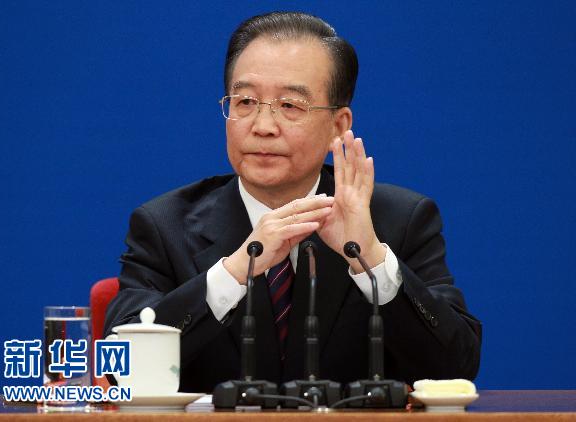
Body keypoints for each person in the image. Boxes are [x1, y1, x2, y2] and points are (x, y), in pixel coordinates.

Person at [104, 11, 481, 393]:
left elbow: (457, 367)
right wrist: (233, 272)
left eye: (290, 106)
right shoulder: (165, 225)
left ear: (338, 125)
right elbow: (121, 369)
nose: (263, 126)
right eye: (245, 101)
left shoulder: (397, 221)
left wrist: (370, 258)